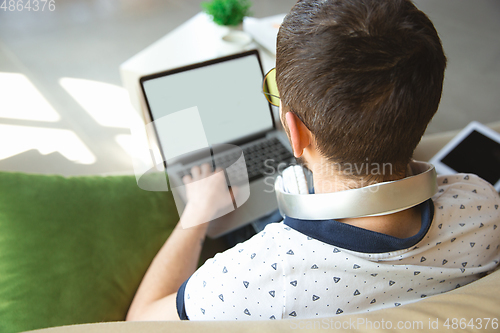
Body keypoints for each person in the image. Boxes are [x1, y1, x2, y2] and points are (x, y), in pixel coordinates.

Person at [126, 0, 500, 321]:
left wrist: (197, 214)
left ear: (294, 131)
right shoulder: (483, 207)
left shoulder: (248, 280)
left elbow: (139, 321)